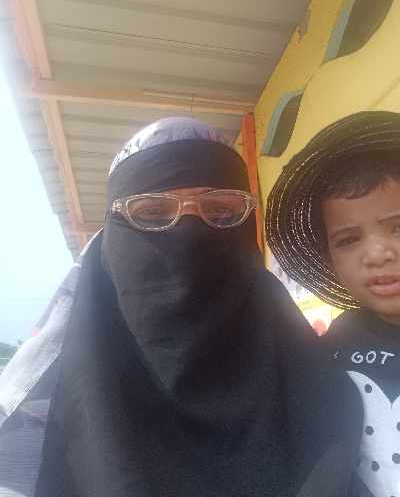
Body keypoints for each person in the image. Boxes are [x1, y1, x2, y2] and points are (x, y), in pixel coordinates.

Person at [0, 117, 357, 497]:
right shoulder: (37, 422)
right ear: (114, 237)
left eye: (220, 210)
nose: (189, 233)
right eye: (152, 212)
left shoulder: (321, 370)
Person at [266, 110, 400, 497]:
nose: (376, 254)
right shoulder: (333, 348)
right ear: (330, 257)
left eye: (398, 228)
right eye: (348, 240)